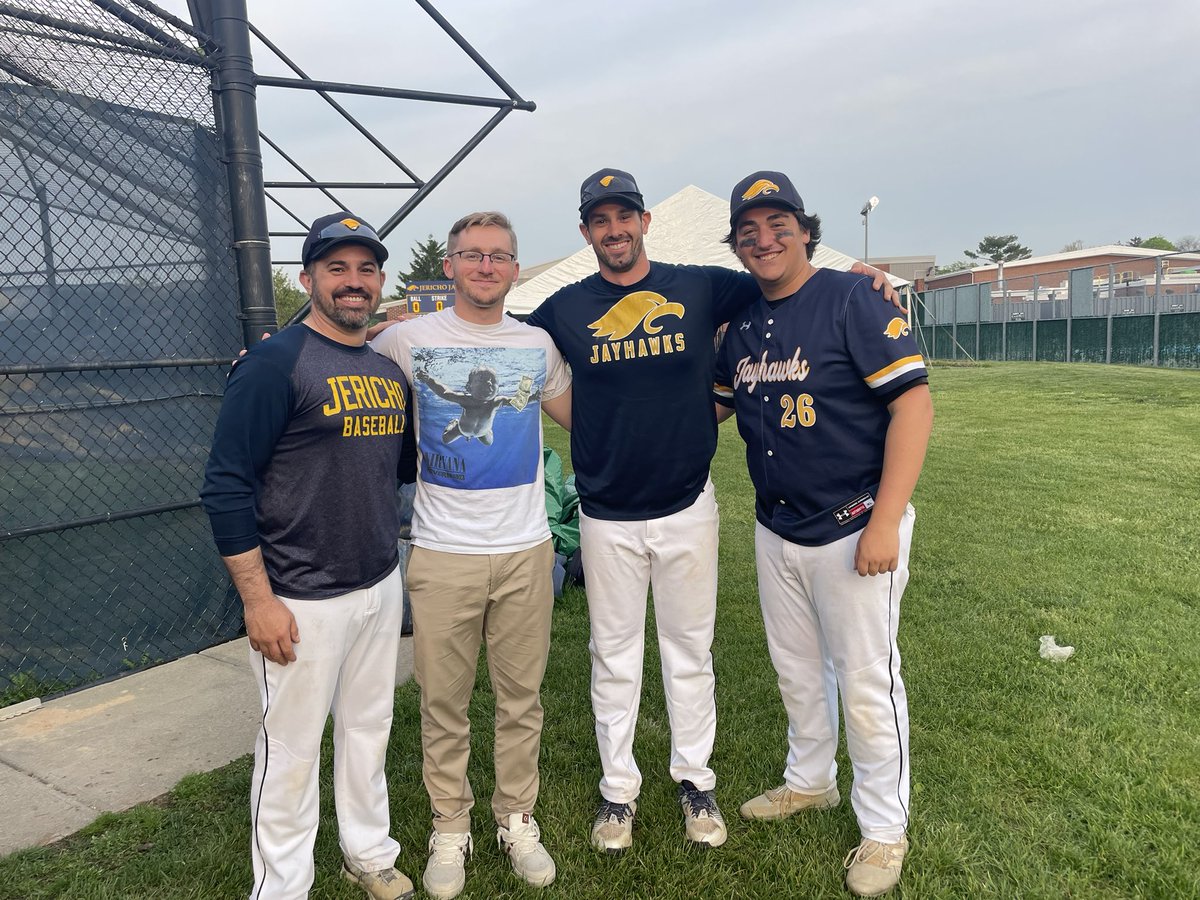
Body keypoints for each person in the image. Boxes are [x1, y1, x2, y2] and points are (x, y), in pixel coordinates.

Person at [525, 169, 902, 853]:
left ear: (645, 222)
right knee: (613, 655)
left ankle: (695, 782)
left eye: (625, 216)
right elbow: (501, 339)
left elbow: (788, 278)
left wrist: (865, 277)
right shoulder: (564, 306)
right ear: (586, 233)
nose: (615, 230)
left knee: (689, 652)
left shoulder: (700, 285)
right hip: (606, 513)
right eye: (600, 221)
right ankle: (619, 793)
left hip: (690, 505)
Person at [713, 171, 933, 897]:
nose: (765, 239)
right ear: (738, 247)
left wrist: (886, 520)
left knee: (869, 682)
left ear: (806, 230)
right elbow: (709, 409)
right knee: (798, 671)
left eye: (779, 225)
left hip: (853, 522)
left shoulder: (852, 297)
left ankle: (884, 828)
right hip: (777, 526)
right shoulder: (742, 324)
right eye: (750, 232)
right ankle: (811, 780)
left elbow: (913, 406)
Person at [200, 212, 417, 900]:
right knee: (290, 751)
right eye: (337, 268)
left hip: (377, 583)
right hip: (297, 594)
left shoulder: (386, 371)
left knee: (368, 728)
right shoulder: (272, 363)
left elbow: (398, 470)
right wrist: (258, 600)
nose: (353, 283)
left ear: (379, 280)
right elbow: (226, 485)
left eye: (365, 269)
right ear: (309, 278)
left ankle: (368, 851)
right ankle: (282, 887)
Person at [371, 212, 571, 900]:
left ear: (516, 268)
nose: (486, 267)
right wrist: (270, 354)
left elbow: (588, 413)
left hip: (524, 551)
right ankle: (449, 827)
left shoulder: (537, 345)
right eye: (473, 255)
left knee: (521, 700)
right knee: (443, 704)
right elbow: (336, 348)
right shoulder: (406, 339)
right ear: (450, 265)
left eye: (500, 256)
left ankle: (517, 818)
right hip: (443, 553)